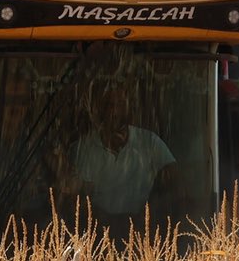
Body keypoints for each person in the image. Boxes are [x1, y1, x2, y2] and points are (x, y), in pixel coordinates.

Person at [70, 89, 175, 218]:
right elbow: (77, 195)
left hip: (142, 227)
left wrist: (156, 211)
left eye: (119, 104)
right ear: (99, 109)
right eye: (108, 105)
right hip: (97, 226)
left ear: (129, 108)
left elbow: (175, 179)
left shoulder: (149, 142)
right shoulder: (84, 148)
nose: (113, 111)